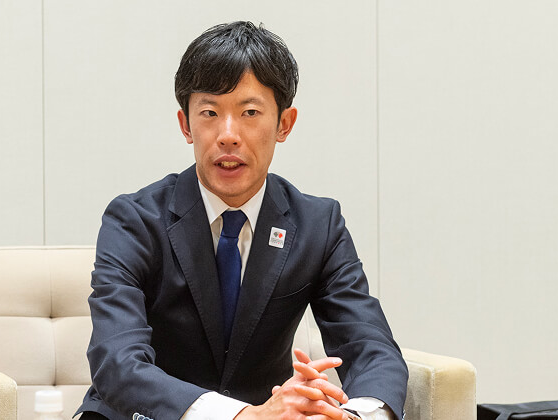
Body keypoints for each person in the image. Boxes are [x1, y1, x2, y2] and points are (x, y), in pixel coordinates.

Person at [77, 21, 408, 420]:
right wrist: (242, 416)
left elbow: (371, 347)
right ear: (186, 125)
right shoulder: (134, 220)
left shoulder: (318, 225)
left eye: (250, 112)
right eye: (210, 112)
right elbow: (116, 362)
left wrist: (351, 416)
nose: (228, 135)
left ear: (284, 124)